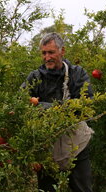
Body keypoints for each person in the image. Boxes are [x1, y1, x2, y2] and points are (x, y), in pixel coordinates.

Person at [22, 32, 94, 192]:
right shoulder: (35, 77)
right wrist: (61, 108)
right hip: (47, 147)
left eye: (51, 52)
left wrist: (42, 106)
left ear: (62, 51)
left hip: (76, 145)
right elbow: (20, 104)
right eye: (44, 53)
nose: (47, 57)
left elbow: (86, 105)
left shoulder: (77, 74)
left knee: (82, 189)